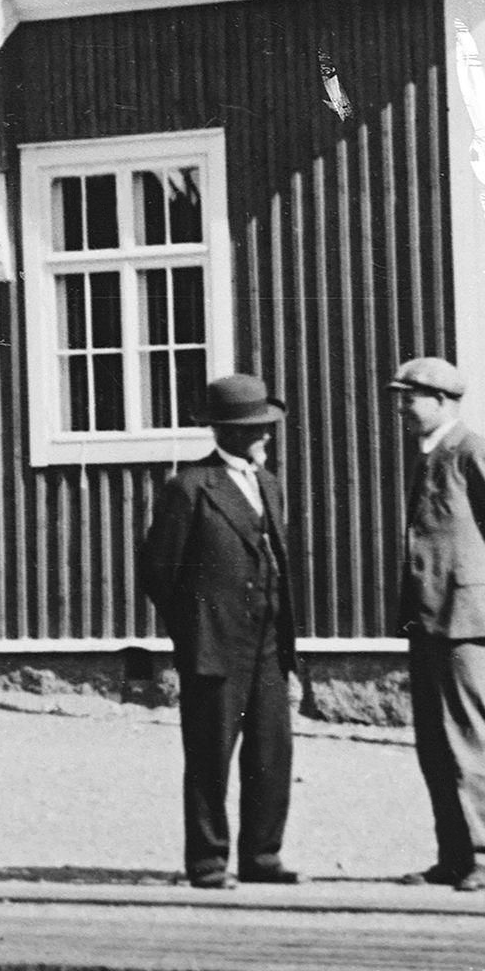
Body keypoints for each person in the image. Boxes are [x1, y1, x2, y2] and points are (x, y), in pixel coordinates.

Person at [137, 373, 301, 889]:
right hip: (215, 646)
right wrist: (196, 631)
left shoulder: (269, 485)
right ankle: (208, 862)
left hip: (269, 644)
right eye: (257, 429)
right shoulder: (189, 488)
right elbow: (159, 571)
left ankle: (262, 856)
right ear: (226, 433)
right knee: (210, 756)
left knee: (271, 754)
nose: (267, 437)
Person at [390, 356, 485, 891]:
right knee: (434, 742)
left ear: (443, 402)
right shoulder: (429, 456)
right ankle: (452, 857)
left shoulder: (474, 452)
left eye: (411, 398)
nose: (403, 408)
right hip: (429, 619)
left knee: (469, 740)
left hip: (466, 620)